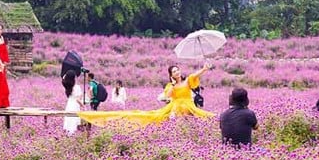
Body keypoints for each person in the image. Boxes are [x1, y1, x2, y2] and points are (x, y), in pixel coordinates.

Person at [78, 64, 215, 129]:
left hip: (188, 105)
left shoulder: (188, 80)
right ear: (171, 75)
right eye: (174, 71)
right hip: (175, 106)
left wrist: (204, 68)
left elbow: (196, 75)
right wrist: (173, 85)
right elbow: (167, 96)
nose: (177, 72)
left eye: (178, 69)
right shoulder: (170, 85)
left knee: (207, 117)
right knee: (149, 116)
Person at [63, 70, 84, 135]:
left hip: (69, 105)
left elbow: (63, 78)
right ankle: (72, 134)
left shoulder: (67, 87)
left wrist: (66, 75)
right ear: (73, 78)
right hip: (75, 105)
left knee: (69, 120)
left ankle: (68, 134)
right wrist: (82, 105)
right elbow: (78, 100)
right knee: (74, 120)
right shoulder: (77, 87)